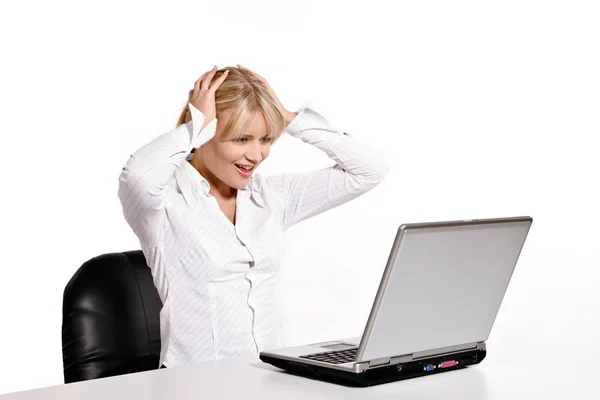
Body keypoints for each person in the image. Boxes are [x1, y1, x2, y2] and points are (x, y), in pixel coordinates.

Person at [118, 64, 389, 369]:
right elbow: (136, 176)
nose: (257, 155)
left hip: (268, 379)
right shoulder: (163, 203)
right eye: (241, 139)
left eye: (266, 139)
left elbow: (369, 170)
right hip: (196, 386)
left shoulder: (271, 197)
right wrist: (195, 125)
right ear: (206, 134)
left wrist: (288, 118)